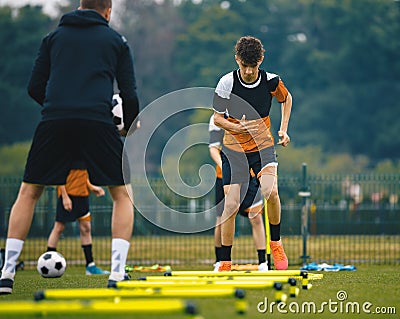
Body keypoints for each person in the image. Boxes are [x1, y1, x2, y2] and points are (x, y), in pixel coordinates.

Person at [0, 0, 139, 295]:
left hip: (55, 120)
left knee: (28, 192)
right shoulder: (116, 41)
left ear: (79, 6)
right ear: (108, 10)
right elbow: (129, 93)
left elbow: (34, 87)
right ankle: (116, 273)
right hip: (98, 123)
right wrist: (128, 125)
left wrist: (57, 107)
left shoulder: (53, 38)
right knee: (123, 195)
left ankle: (7, 274)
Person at [212, 36, 293, 271]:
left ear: (261, 60)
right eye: (244, 65)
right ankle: (225, 261)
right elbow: (217, 118)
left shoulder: (271, 81)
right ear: (237, 59)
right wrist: (237, 127)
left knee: (271, 191)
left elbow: (286, 99)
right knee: (231, 205)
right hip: (234, 149)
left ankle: (276, 244)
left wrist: (284, 129)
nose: (248, 71)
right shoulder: (226, 83)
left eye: (253, 66)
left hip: (263, 147)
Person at [209, 114, 268, 272]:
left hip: (250, 175)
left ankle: (263, 262)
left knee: (256, 217)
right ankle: (220, 260)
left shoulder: (251, 110)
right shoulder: (217, 117)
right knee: (222, 219)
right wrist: (229, 167)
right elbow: (213, 148)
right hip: (225, 175)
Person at [47, 162, 109, 275]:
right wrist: (65, 197)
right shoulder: (66, 153)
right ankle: (48, 263)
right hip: (67, 195)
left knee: (86, 228)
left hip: (83, 196)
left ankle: (90, 266)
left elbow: (83, 176)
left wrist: (91, 187)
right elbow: (59, 176)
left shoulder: (84, 154)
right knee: (59, 228)